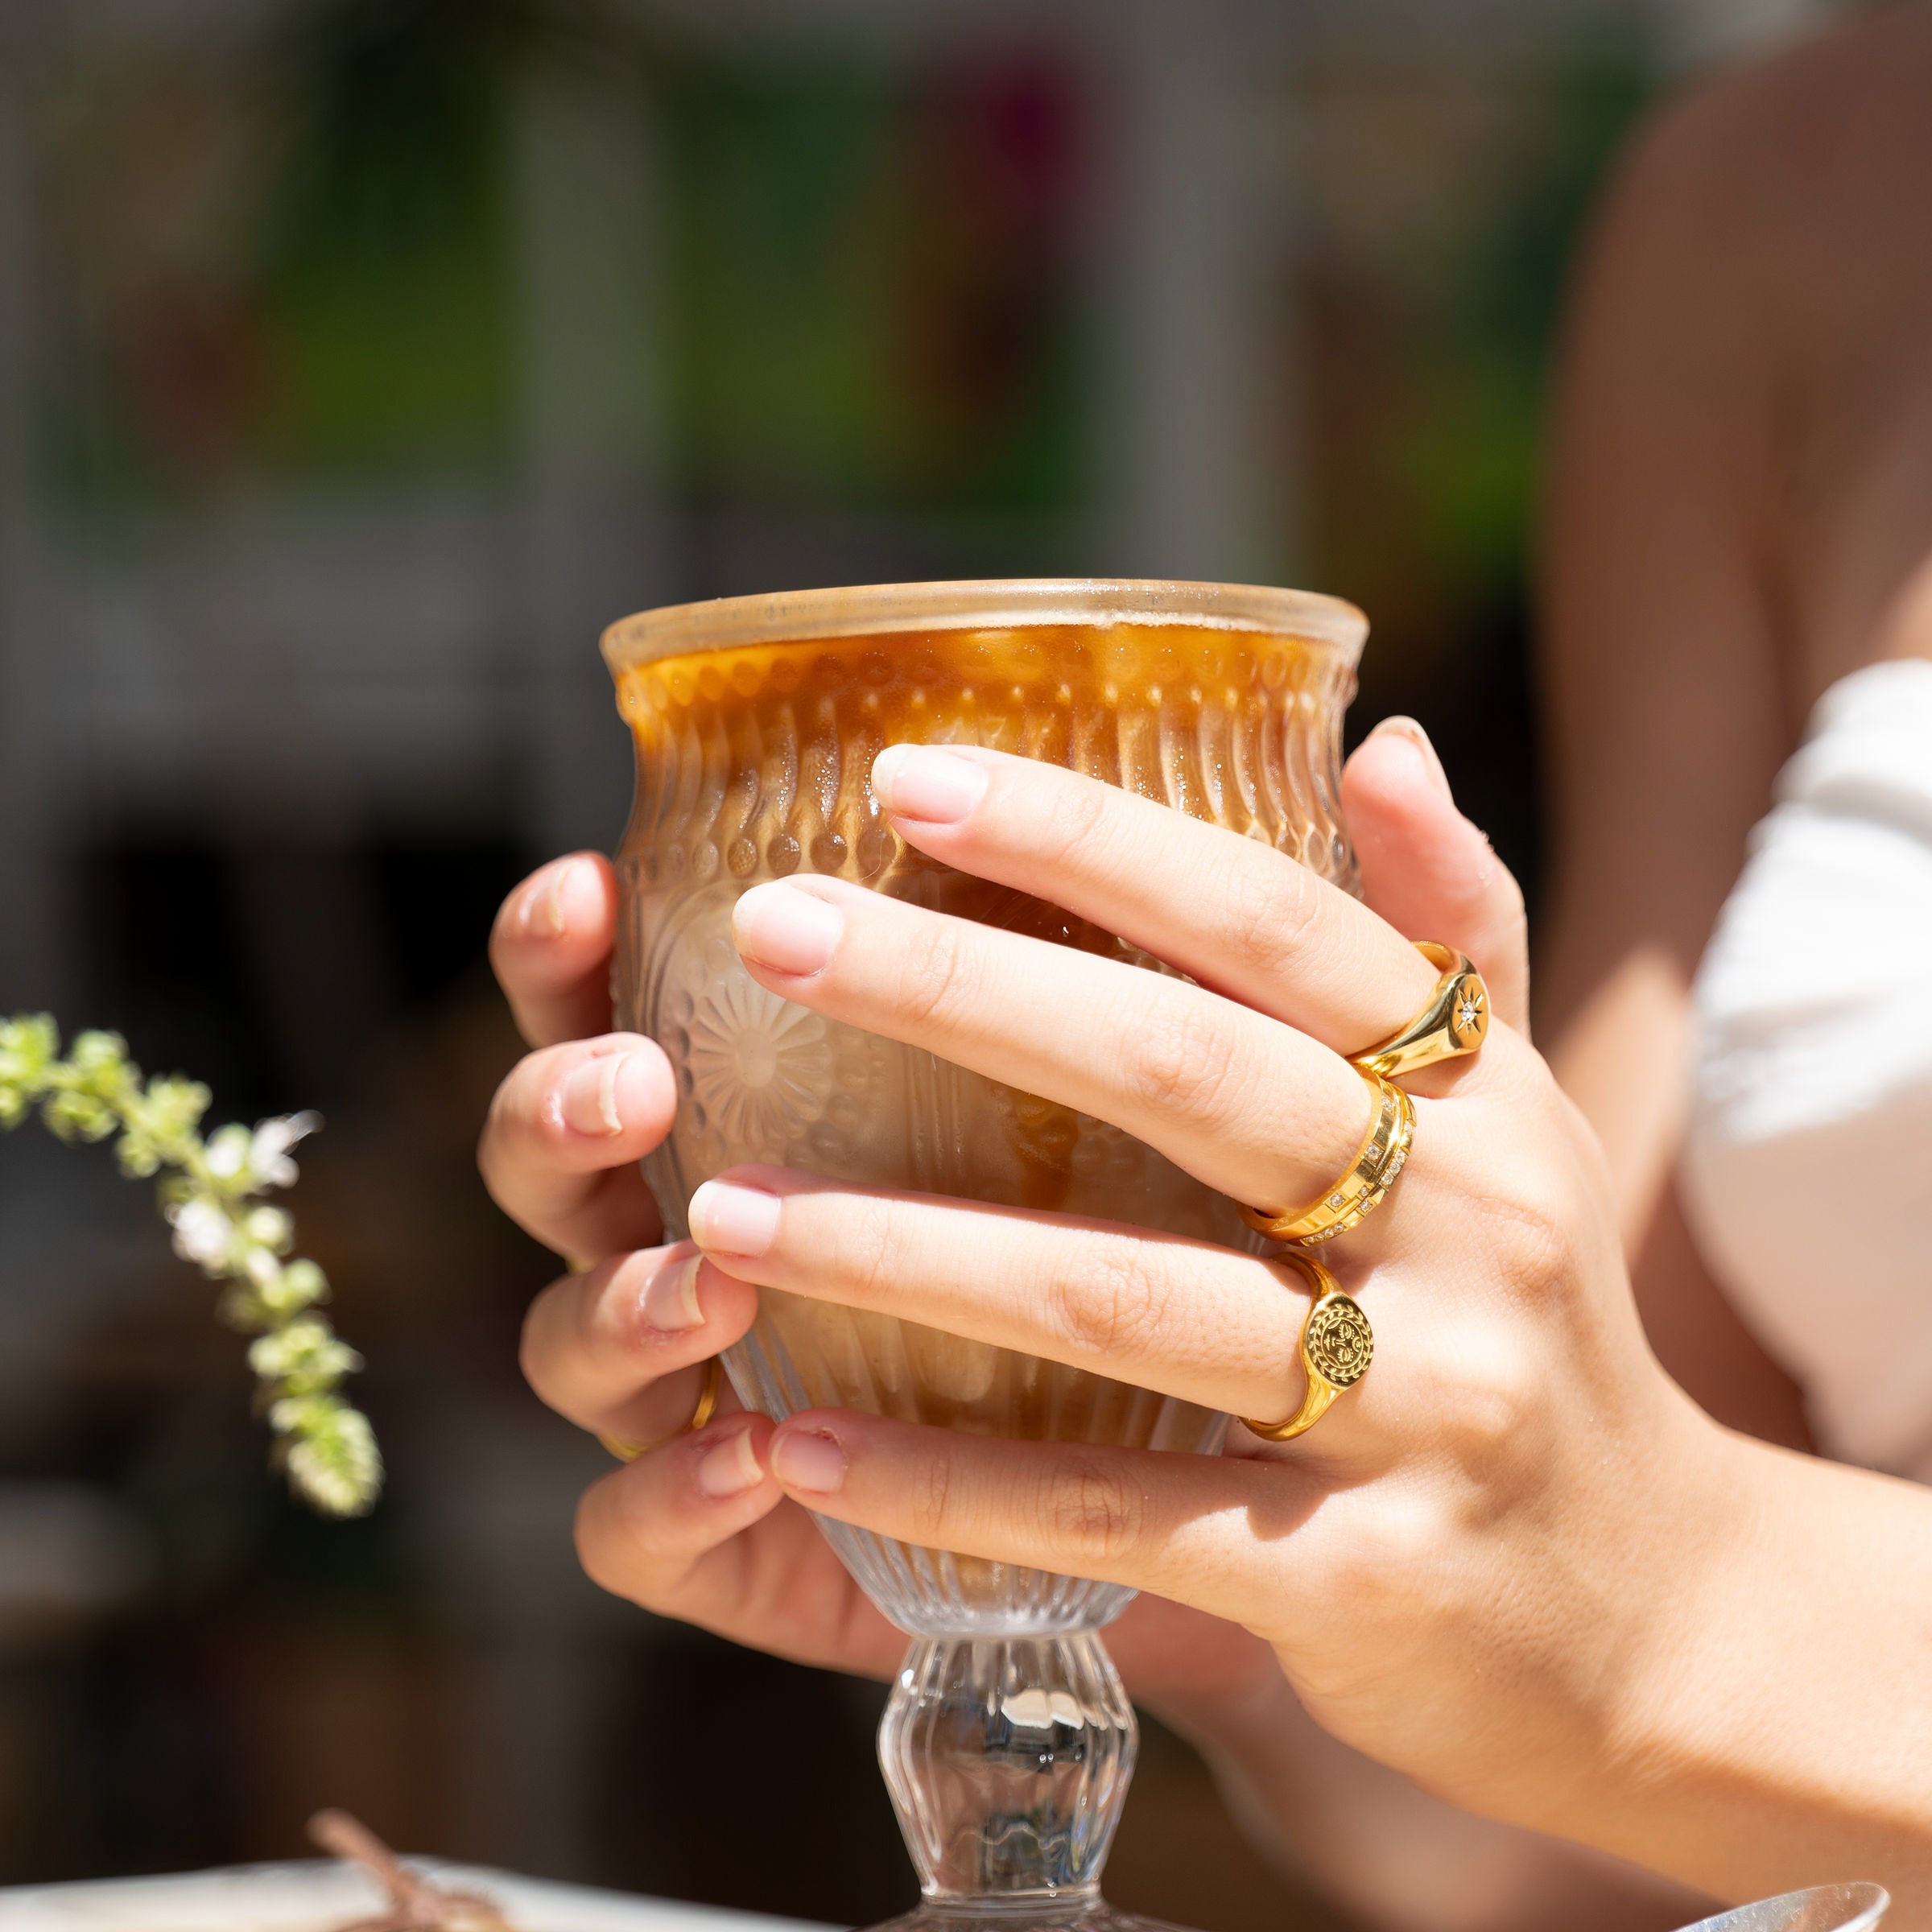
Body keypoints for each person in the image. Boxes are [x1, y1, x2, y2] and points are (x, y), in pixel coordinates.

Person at [482, 9, 1932, 1927]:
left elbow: (1650, 1614)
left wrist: (1669, 1603)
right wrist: (1260, 1586)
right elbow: (1576, 1824)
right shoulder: (1779, 189)